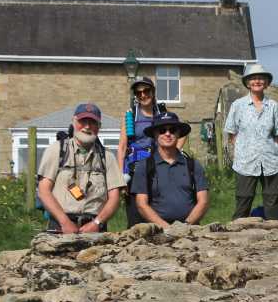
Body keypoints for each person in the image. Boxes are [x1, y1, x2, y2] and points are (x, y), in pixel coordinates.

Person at [37, 103, 124, 233]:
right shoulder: (57, 150)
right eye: (82, 121)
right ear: (74, 122)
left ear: (99, 126)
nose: (87, 126)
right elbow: (44, 190)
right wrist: (64, 222)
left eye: (92, 122)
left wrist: (97, 223)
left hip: (95, 229)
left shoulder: (107, 157)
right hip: (60, 227)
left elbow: (114, 197)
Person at [116, 77, 186, 227]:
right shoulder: (131, 116)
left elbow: (181, 135)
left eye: (146, 91)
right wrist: (121, 176)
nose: (142, 95)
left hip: (158, 168)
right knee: (136, 213)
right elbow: (122, 146)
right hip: (135, 168)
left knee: (159, 208)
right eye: (138, 92)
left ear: (153, 92)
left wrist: (173, 153)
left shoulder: (162, 112)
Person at [224, 63, 278, 220]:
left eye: (261, 78)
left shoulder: (273, 106)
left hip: (270, 162)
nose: (257, 81)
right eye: (253, 78)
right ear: (247, 82)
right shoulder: (238, 105)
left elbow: (277, 134)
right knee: (244, 199)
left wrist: (268, 149)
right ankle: (236, 237)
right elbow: (232, 133)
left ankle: (277, 236)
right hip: (246, 161)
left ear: (266, 82)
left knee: (273, 201)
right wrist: (245, 149)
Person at [130, 112, 209, 228]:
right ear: (155, 135)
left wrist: (185, 226)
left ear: (178, 134)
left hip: (190, 229)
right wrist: (167, 228)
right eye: (162, 130)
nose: (168, 134)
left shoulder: (192, 165)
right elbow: (141, 204)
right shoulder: (144, 166)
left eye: (172, 130)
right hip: (157, 231)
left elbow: (203, 201)